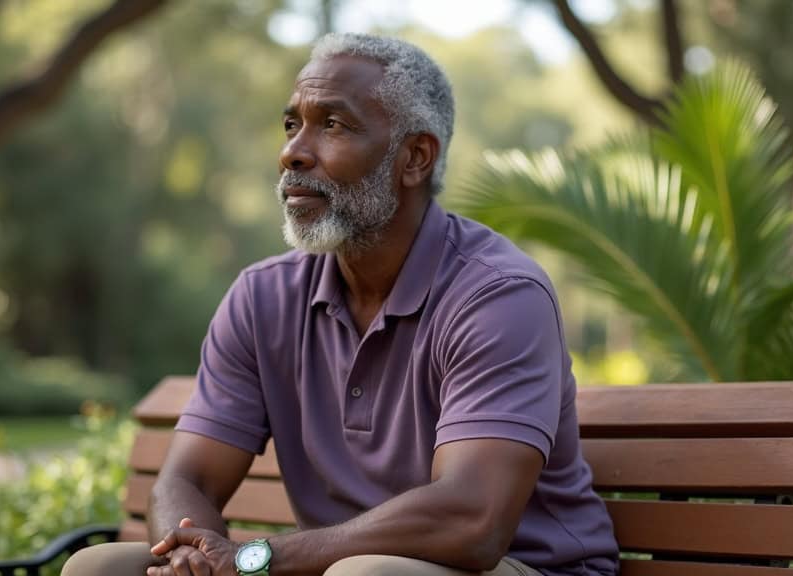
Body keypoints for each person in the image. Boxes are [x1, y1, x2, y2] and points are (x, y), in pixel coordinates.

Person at [62, 33, 618, 576]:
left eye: (333, 125)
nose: (292, 153)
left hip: (515, 566)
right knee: (100, 565)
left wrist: (257, 560)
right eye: (291, 125)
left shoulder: (497, 296)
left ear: (415, 158)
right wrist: (190, 555)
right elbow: (188, 481)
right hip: (330, 566)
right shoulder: (263, 297)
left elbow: (472, 521)